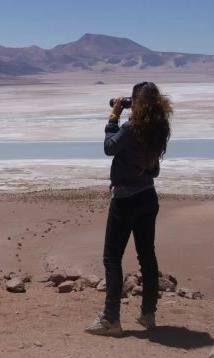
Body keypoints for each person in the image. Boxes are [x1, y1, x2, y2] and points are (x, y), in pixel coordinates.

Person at [85, 82, 172, 336]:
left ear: (136, 103)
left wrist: (114, 115)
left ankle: (111, 319)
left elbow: (109, 147)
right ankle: (148, 313)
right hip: (148, 197)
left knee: (112, 257)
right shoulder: (159, 127)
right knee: (147, 256)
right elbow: (154, 166)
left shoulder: (131, 127)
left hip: (125, 200)